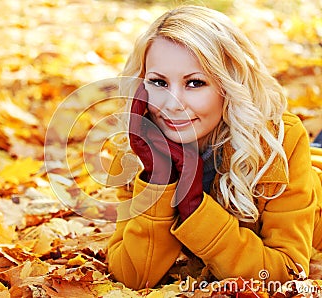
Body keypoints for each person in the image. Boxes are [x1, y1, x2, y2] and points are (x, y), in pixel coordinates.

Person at [105, 5, 322, 291]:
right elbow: (132, 277)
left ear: (228, 85)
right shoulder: (137, 151)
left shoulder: (280, 142)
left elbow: (285, 275)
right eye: (158, 82)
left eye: (195, 83)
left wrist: (194, 206)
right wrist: (162, 179)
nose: (172, 104)